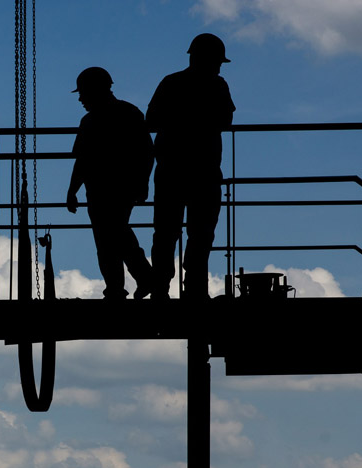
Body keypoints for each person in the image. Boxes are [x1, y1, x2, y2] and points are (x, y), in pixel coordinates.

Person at [147, 33, 235, 299]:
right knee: (201, 233)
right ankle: (195, 289)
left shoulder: (171, 82)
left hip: (171, 170)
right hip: (204, 171)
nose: (219, 66)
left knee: (165, 233)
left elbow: (151, 120)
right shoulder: (218, 86)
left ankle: (160, 288)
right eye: (217, 61)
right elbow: (225, 121)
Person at [66, 66, 155, 300]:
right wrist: (143, 184)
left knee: (109, 238)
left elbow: (82, 161)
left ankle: (123, 286)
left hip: (103, 190)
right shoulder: (128, 113)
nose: (81, 99)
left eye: (83, 93)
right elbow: (147, 152)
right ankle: (138, 280)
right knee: (116, 234)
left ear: (95, 90)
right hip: (117, 188)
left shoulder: (91, 121)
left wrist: (72, 191)